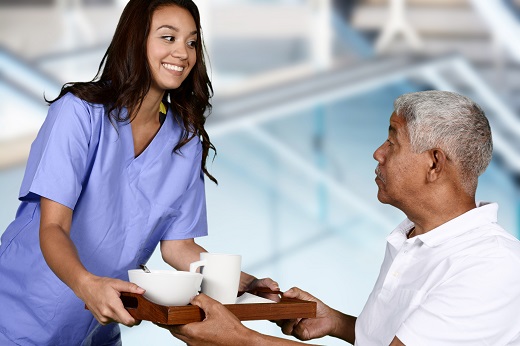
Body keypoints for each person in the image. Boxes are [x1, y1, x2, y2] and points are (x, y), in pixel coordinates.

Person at [0, 1, 277, 345]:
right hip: (16, 316)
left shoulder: (184, 140)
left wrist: (245, 285)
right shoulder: (79, 114)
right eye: (168, 37)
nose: (182, 53)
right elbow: (53, 227)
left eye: (191, 42)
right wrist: (87, 284)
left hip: (96, 327)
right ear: (135, 40)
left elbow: (179, 248)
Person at [163, 90, 520, 345]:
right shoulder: (411, 240)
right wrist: (335, 322)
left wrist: (240, 339)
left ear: (434, 163)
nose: (378, 153)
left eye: (392, 141)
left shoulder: (491, 267)